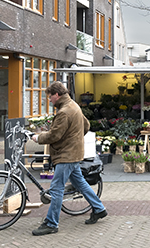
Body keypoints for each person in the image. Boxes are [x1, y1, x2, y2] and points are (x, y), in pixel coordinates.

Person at [32, 81, 107, 236]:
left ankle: (51, 223)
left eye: (50, 96)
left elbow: (54, 135)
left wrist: (37, 138)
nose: (49, 100)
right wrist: (74, 139)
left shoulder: (64, 112)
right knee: (80, 183)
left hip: (66, 155)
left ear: (57, 95)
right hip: (74, 153)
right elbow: (86, 126)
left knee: (56, 188)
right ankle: (99, 209)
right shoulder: (74, 105)